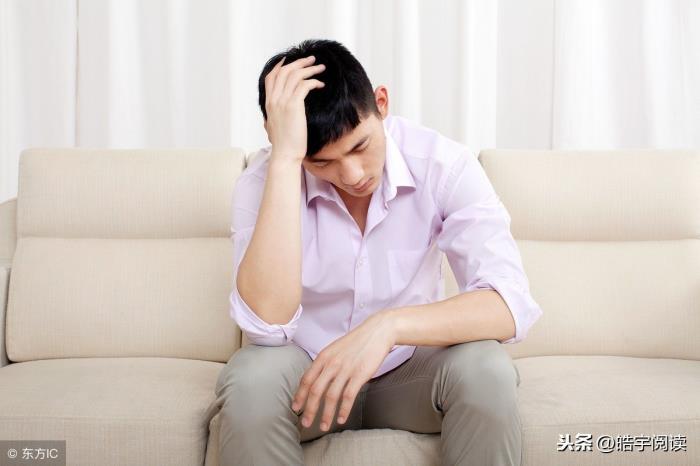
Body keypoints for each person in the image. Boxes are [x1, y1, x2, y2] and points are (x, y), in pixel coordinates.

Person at [211, 38, 543, 466]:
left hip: (410, 371)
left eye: (359, 146)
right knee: (249, 381)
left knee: (488, 370)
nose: (351, 175)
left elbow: (509, 304)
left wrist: (388, 326)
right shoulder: (265, 179)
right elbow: (266, 327)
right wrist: (286, 161)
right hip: (309, 376)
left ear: (381, 103)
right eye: (322, 163)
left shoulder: (442, 164)